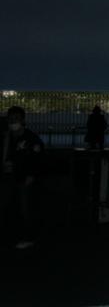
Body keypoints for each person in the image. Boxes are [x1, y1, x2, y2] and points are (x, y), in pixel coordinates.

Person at [1, 106, 45, 249]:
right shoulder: (7, 136)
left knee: (25, 208)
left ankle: (29, 237)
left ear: (23, 120)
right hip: (10, 177)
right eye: (11, 119)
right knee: (11, 206)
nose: (13, 122)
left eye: (16, 119)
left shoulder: (30, 138)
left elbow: (38, 159)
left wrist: (31, 175)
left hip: (24, 178)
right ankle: (15, 235)